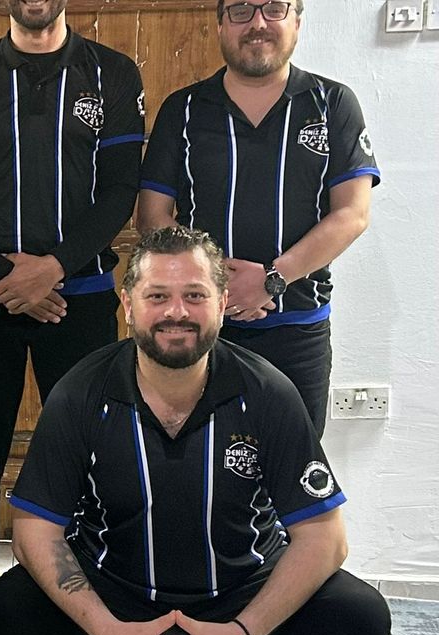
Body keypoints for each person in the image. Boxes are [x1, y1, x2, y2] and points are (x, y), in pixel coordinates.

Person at [0, 226, 390, 635]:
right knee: (5, 614)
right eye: (158, 296)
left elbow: (325, 537)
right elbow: (34, 531)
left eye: (195, 295)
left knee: (360, 620)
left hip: (240, 586)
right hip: (117, 585)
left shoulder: (268, 393)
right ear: (128, 305)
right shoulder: (81, 393)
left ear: (222, 303)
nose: (177, 312)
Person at [0, 0, 146, 610]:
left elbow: (120, 192)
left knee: (92, 454)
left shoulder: (113, 73)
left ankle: (92, 597)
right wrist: (6, 278)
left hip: (80, 298)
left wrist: (51, 269)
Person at [137, 0, 378, 438]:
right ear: (220, 25)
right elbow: (152, 216)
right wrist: (215, 283)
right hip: (198, 327)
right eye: (241, 10)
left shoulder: (333, 103)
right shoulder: (183, 109)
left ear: (297, 21)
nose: (258, 23)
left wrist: (272, 278)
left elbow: (352, 213)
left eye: (274, 8)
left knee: (293, 463)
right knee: (194, 459)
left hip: (297, 328)